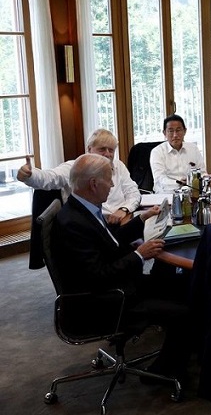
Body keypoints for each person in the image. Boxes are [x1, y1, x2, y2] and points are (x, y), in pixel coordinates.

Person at [51, 153, 191, 381]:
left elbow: (109, 241)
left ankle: (176, 356)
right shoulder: (73, 224)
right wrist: (139, 255)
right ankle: (164, 372)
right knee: (184, 309)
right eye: (109, 179)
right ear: (93, 184)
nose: (112, 185)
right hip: (105, 302)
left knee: (178, 281)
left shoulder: (83, 209)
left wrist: (141, 219)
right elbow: (98, 275)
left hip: (115, 287)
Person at [16, 128, 140, 225]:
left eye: (111, 150)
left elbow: (133, 193)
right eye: (102, 149)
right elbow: (49, 178)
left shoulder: (118, 166)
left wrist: (124, 209)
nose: (107, 154)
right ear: (89, 149)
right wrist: (30, 175)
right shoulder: (75, 167)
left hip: (121, 220)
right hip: (89, 226)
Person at [150, 114, 206, 193]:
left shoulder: (193, 148)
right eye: (171, 131)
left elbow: (202, 173)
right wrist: (179, 183)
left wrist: (205, 178)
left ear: (185, 131)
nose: (175, 135)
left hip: (192, 192)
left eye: (178, 130)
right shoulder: (157, 152)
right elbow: (160, 179)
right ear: (164, 133)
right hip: (167, 193)